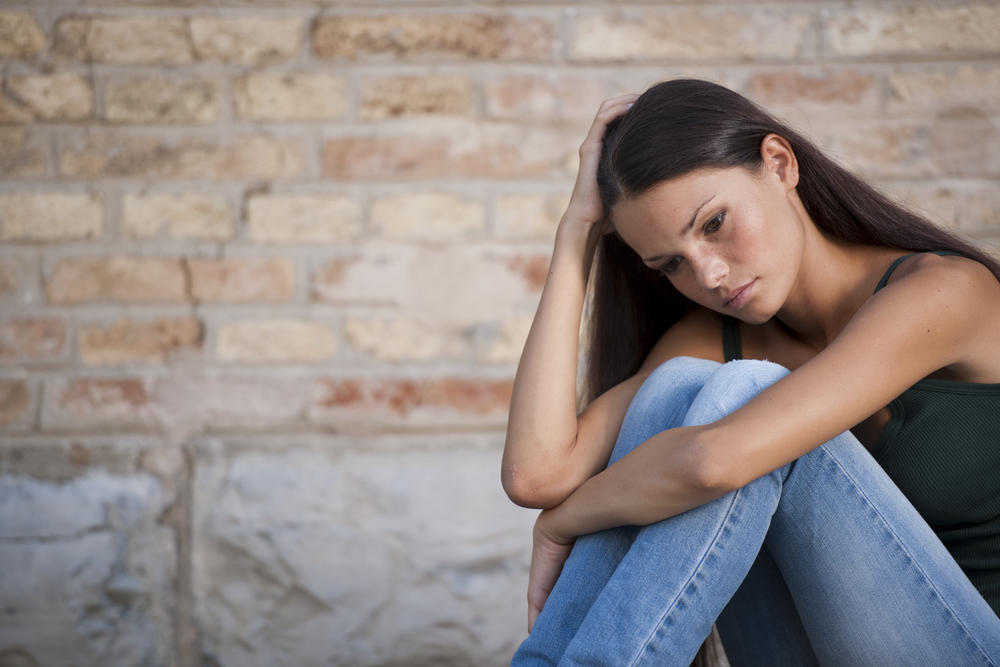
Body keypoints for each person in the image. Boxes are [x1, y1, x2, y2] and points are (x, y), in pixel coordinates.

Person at [501, 78, 1000, 666]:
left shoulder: (945, 291)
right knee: (673, 389)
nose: (708, 275)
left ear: (779, 164)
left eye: (714, 224)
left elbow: (713, 463)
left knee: (747, 391)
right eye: (671, 264)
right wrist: (576, 233)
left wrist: (565, 521)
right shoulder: (715, 338)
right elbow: (538, 475)